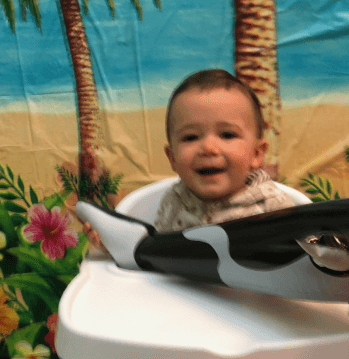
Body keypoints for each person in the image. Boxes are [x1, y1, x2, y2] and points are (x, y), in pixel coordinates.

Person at [83, 69, 295, 249]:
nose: (208, 148)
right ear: (172, 158)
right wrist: (114, 247)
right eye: (191, 137)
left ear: (257, 154)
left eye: (227, 135)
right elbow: (157, 257)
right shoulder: (174, 202)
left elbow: (297, 265)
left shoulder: (274, 206)